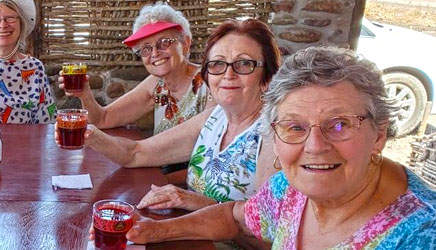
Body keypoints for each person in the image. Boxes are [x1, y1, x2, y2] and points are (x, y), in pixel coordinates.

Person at [123, 46, 436, 248]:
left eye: (339, 125)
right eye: (295, 127)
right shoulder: (288, 187)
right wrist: (155, 231)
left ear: (378, 135)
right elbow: (234, 217)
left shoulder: (421, 234)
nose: (315, 146)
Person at [64, 19, 281, 211]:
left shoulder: (273, 134)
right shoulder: (216, 117)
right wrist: (91, 134)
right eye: (218, 64)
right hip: (186, 221)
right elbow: (134, 150)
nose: (228, 74)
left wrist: (186, 197)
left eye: (244, 64)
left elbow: (267, 226)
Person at [61, 2, 213, 134]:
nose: (154, 53)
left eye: (164, 42)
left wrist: (133, 151)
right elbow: (103, 119)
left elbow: (195, 145)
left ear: (185, 43)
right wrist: (84, 95)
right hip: (158, 166)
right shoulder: (157, 84)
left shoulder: (210, 82)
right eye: (146, 48)